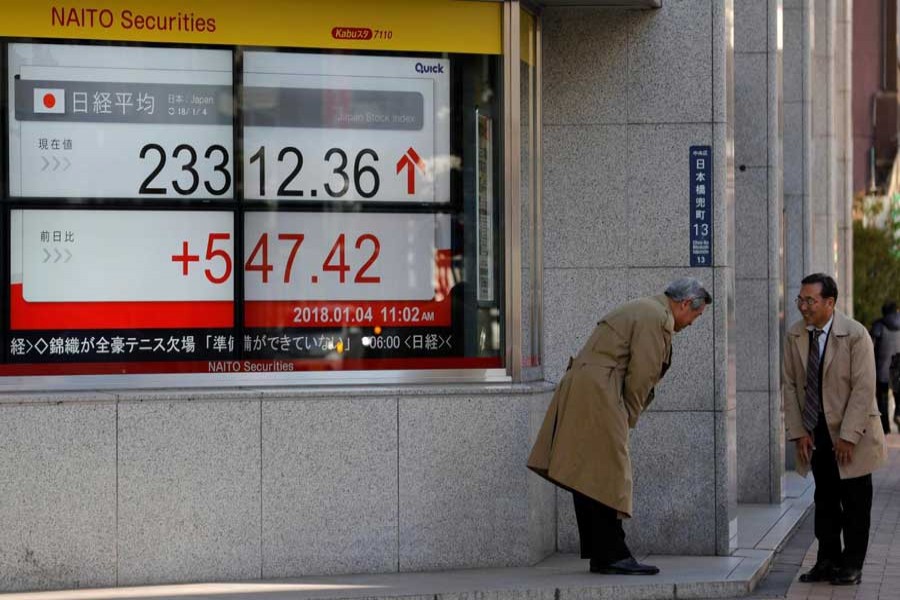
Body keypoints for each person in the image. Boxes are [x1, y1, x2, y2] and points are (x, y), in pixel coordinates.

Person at [527, 277, 712, 575]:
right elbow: (642, 375)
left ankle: (604, 552)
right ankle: (612, 554)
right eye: (695, 315)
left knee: (588, 473)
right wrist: (627, 417)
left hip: (590, 389)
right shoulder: (657, 317)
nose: (693, 323)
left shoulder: (646, 308)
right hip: (600, 394)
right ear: (684, 304)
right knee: (606, 474)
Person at [784, 273, 886, 586]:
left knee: (855, 503)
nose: (803, 306)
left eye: (810, 300)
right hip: (816, 433)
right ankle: (827, 561)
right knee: (825, 500)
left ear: (830, 303)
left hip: (852, 435)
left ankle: (851, 564)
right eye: (800, 299)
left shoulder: (855, 335)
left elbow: (864, 388)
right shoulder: (795, 335)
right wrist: (799, 430)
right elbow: (789, 385)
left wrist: (848, 436)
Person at [871, 300, 900, 433]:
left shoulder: (879, 326)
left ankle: (885, 427)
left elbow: (870, 345)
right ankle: (898, 414)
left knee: (882, 399)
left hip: (882, 368)